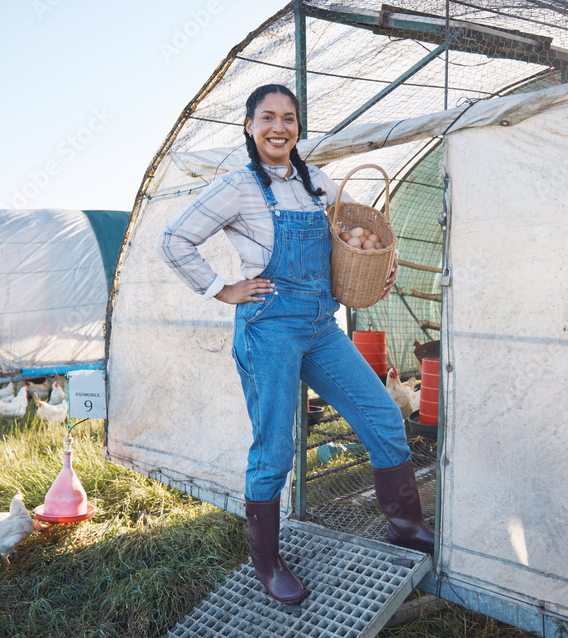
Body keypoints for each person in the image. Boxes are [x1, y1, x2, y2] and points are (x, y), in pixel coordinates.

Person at [156, 83, 434, 606]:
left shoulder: (318, 183)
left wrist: (380, 261)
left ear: (298, 128)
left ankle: (406, 524)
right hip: (269, 328)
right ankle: (268, 563)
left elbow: (360, 229)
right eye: (267, 118)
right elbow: (174, 238)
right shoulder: (238, 187)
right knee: (275, 449)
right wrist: (222, 289)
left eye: (288, 118)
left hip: (321, 327)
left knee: (382, 414)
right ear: (249, 126)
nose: (278, 127)